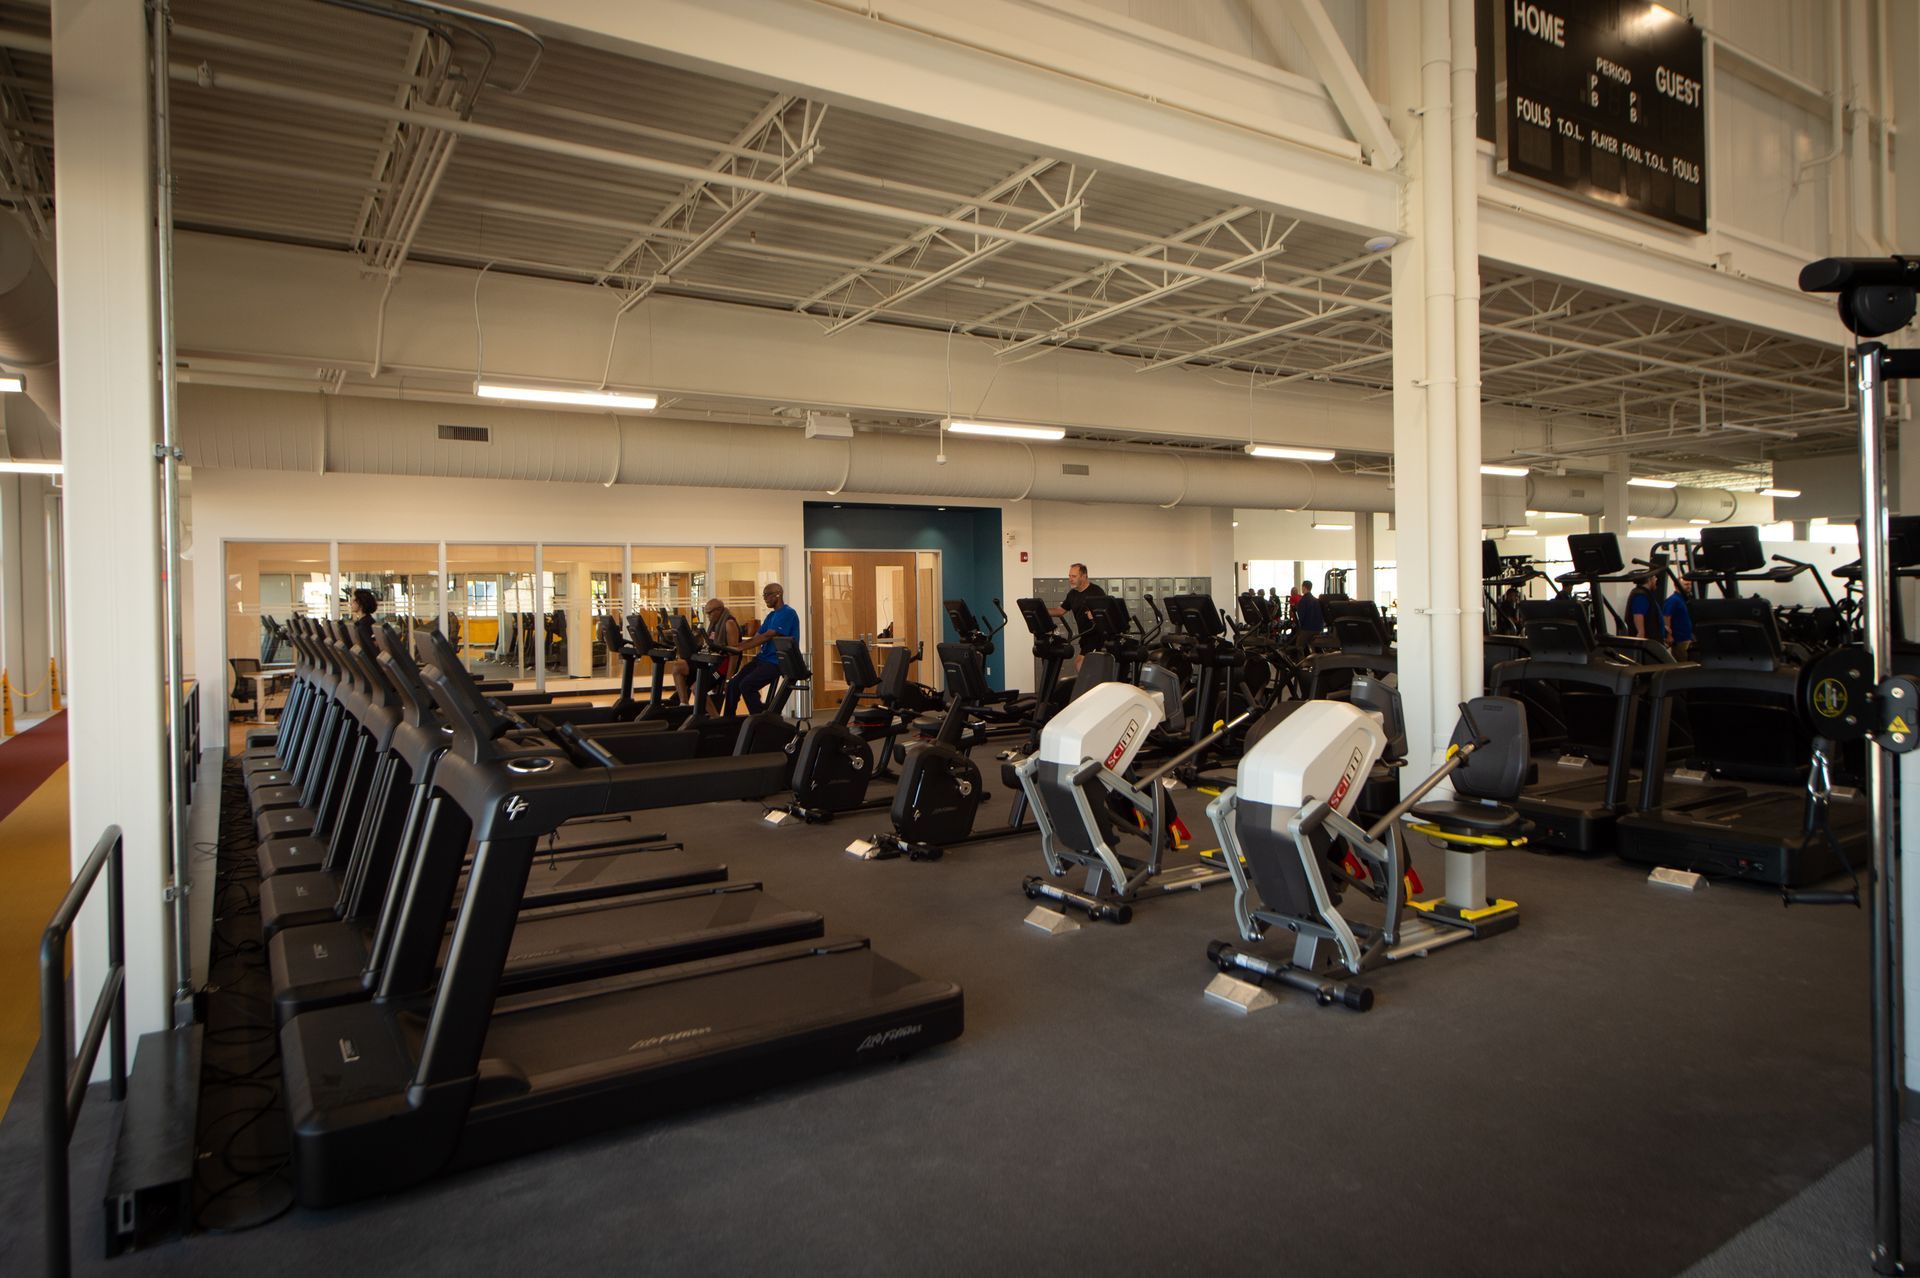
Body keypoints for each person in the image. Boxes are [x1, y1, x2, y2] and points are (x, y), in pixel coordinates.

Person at [727, 582, 798, 716]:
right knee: (733, 684)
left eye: (768, 595)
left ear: (778, 594)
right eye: (764, 595)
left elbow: (768, 636)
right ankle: (727, 722)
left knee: (747, 685)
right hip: (762, 659)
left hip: (776, 662)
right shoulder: (771, 616)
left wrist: (740, 648)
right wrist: (736, 646)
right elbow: (757, 636)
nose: (765, 598)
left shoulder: (788, 613)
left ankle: (760, 721)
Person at [672, 598, 740, 708]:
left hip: (722, 665)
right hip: (710, 661)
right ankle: (684, 705)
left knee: (697, 688)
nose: (707, 615)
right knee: (678, 666)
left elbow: (734, 653)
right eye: (706, 612)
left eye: (709, 612)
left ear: (719, 610)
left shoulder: (729, 623)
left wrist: (728, 679)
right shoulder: (714, 624)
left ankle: (715, 719)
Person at [1048, 563, 1107, 667]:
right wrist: (1041, 610)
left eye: (1074, 576)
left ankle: (1090, 683)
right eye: (1069, 576)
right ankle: (1090, 683)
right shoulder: (1072, 594)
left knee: (1080, 663)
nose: (1070, 579)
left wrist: (1095, 615)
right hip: (1085, 637)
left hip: (1097, 636)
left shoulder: (1096, 592)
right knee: (1083, 665)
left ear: (1084, 576)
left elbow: (1106, 613)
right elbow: (1060, 610)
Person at [1663, 575, 1694, 660]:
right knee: (1683, 663)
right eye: (1686, 584)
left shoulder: (1684, 599)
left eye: (1690, 584)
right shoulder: (1673, 600)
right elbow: (1666, 617)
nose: (1689, 586)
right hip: (1679, 639)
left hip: (1687, 637)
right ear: (1676, 586)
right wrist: (1669, 635)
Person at [1625, 570, 1661, 639]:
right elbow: (1638, 614)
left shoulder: (1645, 594)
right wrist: (1641, 633)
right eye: (1654, 577)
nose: (1656, 579)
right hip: (1647, 640)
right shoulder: (1640, 595)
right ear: (1649, 580)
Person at [1293, 581, 1326, 648]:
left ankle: (1302, 658)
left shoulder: (1303, 601)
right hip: (1318, 629)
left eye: (1302, 587)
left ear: (1304, 587)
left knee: (1299, 646)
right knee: (1312, 646)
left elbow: (1301, 617)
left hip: (1307, 629)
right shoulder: (1316, 600)